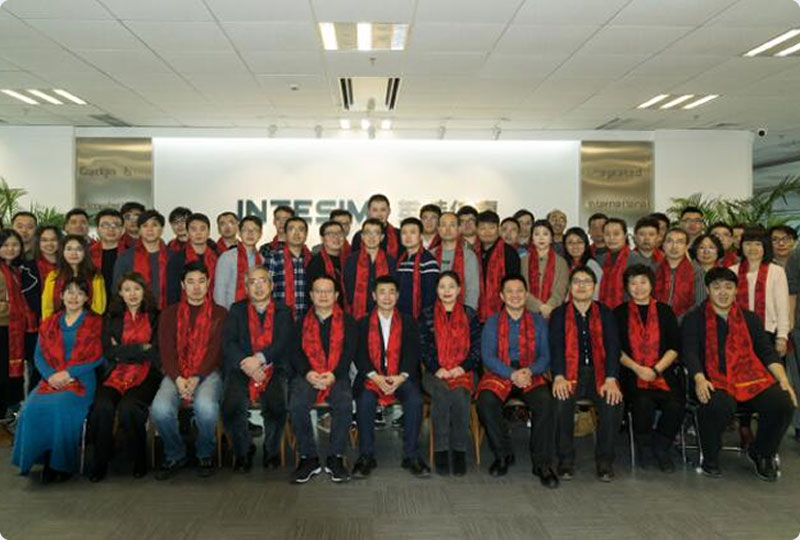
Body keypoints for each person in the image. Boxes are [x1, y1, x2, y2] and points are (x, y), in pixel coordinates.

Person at [681, 267, 796, 481]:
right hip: (712, 380)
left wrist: (783, 380)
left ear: (736, 290)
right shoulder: (694, 319)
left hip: (749, 379)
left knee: (782, 402)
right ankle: (710, 456)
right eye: (717, 287)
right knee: (717, 404)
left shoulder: (750, 319)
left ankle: (762, 452)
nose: (723, 292)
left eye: (728, 287)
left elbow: (767, 352)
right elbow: (689, 353)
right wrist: (699, 378)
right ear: (708, 290)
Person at [12, 278, 105, 482]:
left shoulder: (95, 323)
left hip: (81, 379)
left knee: (61, 406)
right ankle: (44, 458)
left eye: (80, 293)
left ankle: (60, 464)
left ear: (87, 298)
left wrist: (69, 373)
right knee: (30, 408)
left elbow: (98, 356)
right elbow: (38, 356)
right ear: (61, 295)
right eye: (69, 292)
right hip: (51, 378)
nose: (74, 297)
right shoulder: (49, 323)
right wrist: (50, 376)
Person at [476, 274, 558, 487]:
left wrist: (528, 371)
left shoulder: (539, 322)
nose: (515, 295)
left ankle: (542, 463)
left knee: (545, 402)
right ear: (502, 296)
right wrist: (512, 374)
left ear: (526, 294)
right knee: (485, 401)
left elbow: (546, 356)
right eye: (509, 291)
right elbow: (488, 356)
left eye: (520, 291)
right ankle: (503, 454)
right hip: (501, 373)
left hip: (530, 373)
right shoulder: (492, 322)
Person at [152, 261, 227, 479]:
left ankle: (205, 452)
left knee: (207, 407)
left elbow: (215, 351)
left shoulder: (220, 314)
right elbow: (166, 352)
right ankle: (175, 453)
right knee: (160, 409)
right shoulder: (169, 314)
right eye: (191, 282)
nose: (196, 287)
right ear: (182, 285)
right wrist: (177, 378)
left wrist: (197, 377)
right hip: (175, 373)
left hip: (208, 372)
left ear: (208, 283)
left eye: (201, 281)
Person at [550, 266, 623, 482]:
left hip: (600, 373)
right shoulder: (559, 314)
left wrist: (611, 378)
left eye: (587, 282)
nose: (581, 286)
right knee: (561, 402)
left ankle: (605, 460)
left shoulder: (605, 313)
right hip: (570, 372)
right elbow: (556, 347)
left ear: (594, 287)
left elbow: (613, 347)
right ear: (570, 287)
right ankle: (565, 459)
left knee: (613, 403)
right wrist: (559, 376)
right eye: (577, 282)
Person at [352, 275, 429, 478]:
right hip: (372, 377)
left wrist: (401, 377)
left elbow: (413, 353)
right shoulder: (362, 323)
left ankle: (411, 455)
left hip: (401, 377)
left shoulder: (408, 322)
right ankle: (366, 455)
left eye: (392, 292)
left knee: (415, 400)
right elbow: (359, 354)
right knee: (365, 400)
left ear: (398, 295)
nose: (387, 297)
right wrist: (376, 377)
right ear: (374, 296)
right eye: (382, 292)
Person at [88, 272, 160, 482]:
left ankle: (139, 459)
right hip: (115, 373)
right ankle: (100, 461)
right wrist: (140, 348)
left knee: (130, 406)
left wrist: (122, 350)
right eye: (127, 289)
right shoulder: (111, 318)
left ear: (144, 291)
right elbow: (108, 352)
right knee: (102, 406)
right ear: (120, 293)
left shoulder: (156, 316)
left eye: (137, 289)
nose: (132, 294)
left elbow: (155, 352)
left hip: (147, 374)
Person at [221, 266, 292, 472]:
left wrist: (259, 359)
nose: (258, 286)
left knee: (277, 404)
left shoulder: (283, 311)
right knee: (231, 405)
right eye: (252, 282)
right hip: (242, 367)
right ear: (246, 288)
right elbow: (228, 342)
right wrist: (247, 364)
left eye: (263, 281)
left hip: (274, 365)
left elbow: (283, 342)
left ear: (271, 285)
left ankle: (271, 450)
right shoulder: (237, 310)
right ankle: (243, 451)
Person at [289, 274, 358, 483]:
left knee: (344, 402)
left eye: (328, 291)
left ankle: (335, 456)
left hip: (336, 374)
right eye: (318, 291)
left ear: (336, 295)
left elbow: (349, 352)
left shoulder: (348, 321)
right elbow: (295, 352)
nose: (323, 295)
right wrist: (308, 373)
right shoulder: (301, 322)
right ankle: (308, 457)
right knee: (297, 403)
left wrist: (334, 374)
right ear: (311, 295)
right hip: (308, 374)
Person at [614, 264, 683, 472]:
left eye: (643, 282)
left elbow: (674, 347)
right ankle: (643, 445)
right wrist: (638, 369)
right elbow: (615, 349)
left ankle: (662, 446)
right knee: (642, 402)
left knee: (676, 403)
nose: (639, 287)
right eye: (633, 283)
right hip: (630, 372)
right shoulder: (619, 313)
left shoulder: (665, 311)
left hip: (662, 371)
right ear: (627, 287)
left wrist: (655, 370)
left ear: (652, 285)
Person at [419, 271, 480, 476]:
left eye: (451, 286)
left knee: (461, 394)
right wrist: (438, 368)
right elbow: (423, 347)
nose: (447, 291)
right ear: (437, 290)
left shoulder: (470, 315)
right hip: (434, 373)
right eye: (442, 287)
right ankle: (441, 451)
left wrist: (461, 367)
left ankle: (459, 451)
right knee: (442, 393)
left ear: (459, 290)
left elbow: (476, 349)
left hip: (464, 371)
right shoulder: (427, 315)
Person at [0, 229, 38, 446]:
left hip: (14, 330)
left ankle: (10, 422)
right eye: (5, 245)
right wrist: (11, 309)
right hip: (3, 328)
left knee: (12, 378)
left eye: (14, 245)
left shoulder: (16, 269)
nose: (10, 249)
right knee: (3, 377)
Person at [729, 228, 790, 357]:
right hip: (737, 332)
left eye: (758, 244)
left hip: (768, 332)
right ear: (741, 246)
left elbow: (782, 307)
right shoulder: (731, 272)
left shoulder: (776, 271)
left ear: (765, 247)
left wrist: (782, 337)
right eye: (748, 244)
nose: (752, 248)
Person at [113, 210, 170, 309]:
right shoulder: (125, 257)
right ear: (139, 230)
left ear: (161, 229)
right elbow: (116, 288)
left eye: (154, 225)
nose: (150, 229)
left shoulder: (172, 257)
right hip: (135, 312)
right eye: (145, 226)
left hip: (167, 311)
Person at [41, 234, 106, 319]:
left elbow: (99, 308)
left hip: (89, 323)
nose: (73, 253)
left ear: (85, 252)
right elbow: (47, 307)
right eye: (69, 249)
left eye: (79, 249)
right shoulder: (53, 276)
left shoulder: (95, 276)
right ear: (62, 252)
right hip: (57, 323)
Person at [344, 218, 397, 319]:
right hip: (357, 314)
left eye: (376, 233)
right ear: (362, 236)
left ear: (382, 237)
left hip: (384, 314)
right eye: (368, 233)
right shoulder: (351, 260)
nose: (371, 237)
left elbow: (393, 288)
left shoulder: (390, 261)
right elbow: (348, 289)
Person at [429, 211, 480, 311]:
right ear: (438, 229)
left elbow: (473, 290)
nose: (447, 229)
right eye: (444, 225)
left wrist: (468, 313)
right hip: (433, 312)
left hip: (462, 313)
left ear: (459, 229)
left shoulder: (469, 256)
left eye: (452, 225)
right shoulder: (430, 255)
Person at [476, 210, 520, 321]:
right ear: (477, 230)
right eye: (482, 228)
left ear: (498, 229)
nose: (487, 232)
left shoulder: (509, 253)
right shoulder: (473, 252)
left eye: (491, 227)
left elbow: (514, 283)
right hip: (477, 312)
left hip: (504, 311)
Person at [265, 216, 311, 321]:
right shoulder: (273, 257)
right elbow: (266, 289)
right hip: (279, 317)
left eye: (301, 229)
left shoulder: (312, 259)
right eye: (292, 229)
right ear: (285, 234)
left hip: (307, 319)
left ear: (306, 234)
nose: (297, 233)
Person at [166, 213, 218, 305]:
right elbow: (172, 291)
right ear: (187, 232)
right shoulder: (177, 259)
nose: (198, 233)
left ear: (209, 232)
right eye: (194, 229)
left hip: (213, 307)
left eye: (202, 229)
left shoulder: (217, 257)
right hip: (184, 308)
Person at [213, 216, 263, 310]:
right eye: (246, 229)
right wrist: (223, 314)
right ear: (239, 233)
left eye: (255, 230)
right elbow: (220, 291)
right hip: (230, 313)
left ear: (260, 234)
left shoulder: (261, 260)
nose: (250, 233)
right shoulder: (227, 257)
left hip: (255, 313)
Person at [654, 228, 705, 320]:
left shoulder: (697, 271)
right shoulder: (655, 269)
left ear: (686, 246)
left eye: (680, 242)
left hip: (687, 322)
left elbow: (700, 303)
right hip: (655, 320)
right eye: (669, 241)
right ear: (663, 245)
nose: (674, 246)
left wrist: (678, 320)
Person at [523, 219, 568, 319]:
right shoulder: (523, 261)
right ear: (532, 238)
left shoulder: (561, 262)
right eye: (537, 234)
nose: (541, 238)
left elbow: (561, 290)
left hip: (553, 312)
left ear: (551, 238)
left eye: (545, 234)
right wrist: (539, 307)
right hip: (528, 312)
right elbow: (522, 288)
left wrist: (549, 307)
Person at [396, 217, 439, 318]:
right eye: (404, 233)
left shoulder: (428, 261)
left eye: (412, 232)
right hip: (401, 316)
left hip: (420, 318)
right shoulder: (400, 260)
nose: (408, 236)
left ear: (421, 236)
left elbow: (430, 296)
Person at [306, 221, 348, 310]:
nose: (336, 237)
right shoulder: (316, 263)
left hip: (346, 312)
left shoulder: (349, 260)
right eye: (330, 234)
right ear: (322, 238)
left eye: (339, 233)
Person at [351, 194, 403, 259]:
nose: (379, 214)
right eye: (375, 210)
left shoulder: (399, 235)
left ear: (389, 211)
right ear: (368, 212)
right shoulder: (359, 236)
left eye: (383, 210)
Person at [90, 208, 125, 303]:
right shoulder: (88, 254)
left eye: (116, 225)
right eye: (105, 225)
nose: (111, 229)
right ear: (97, 229)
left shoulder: (131, 254)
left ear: (122, 230)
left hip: (123, 305)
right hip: (94, 305)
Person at [597, 218, 631, 309]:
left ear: (625, 236)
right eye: (607, 234)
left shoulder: (635, 258)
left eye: (616, 234)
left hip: (629, 311)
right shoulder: (600, 260)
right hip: (603, 310)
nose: (611, 238)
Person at [563, 227, 603, 299]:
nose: (575, 246)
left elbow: (597, 294)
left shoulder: (592, 265)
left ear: (586, 244)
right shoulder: (563, 265)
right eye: (570, 243)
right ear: (565, 246)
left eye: (579, 242)